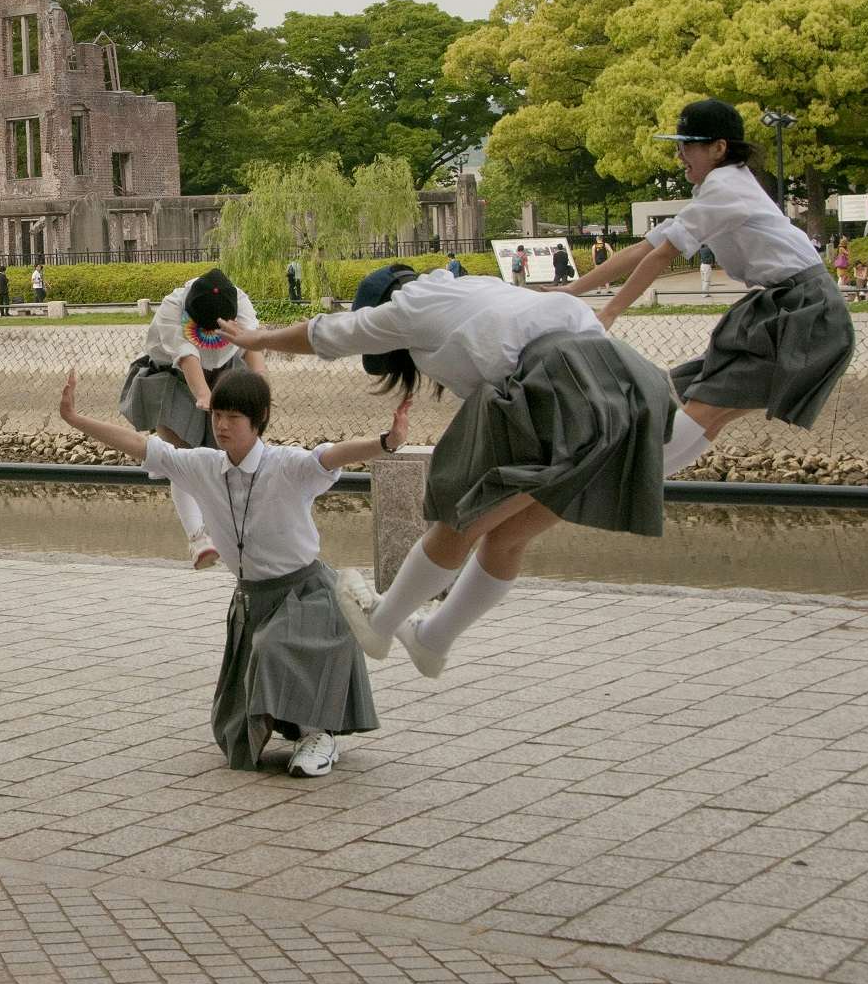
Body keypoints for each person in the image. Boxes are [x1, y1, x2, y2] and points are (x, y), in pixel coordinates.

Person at [221, 261, 672, 679]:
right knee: (508, 536)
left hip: (553, 382)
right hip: (627, 390)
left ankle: (382, 622)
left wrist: (258, 340)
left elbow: (332, 332)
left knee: (462, 512)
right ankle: (433, 640)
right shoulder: (478, 287)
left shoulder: (411, 305)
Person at [58, 366, 396, 777]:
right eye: (217, 415)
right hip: (253, 597)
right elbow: (142, 446)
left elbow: (332, 454)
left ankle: (319, 735)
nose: (221, 425)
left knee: (273, 647)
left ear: (260, 420)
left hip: (308, 595)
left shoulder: (287, 465)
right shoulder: (203, 466)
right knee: (233, 732)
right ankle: (295, 725)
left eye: (234, 417)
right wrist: (76, 420)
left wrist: (385, 442)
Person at [559, 98, 855, 474]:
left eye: (689, 145)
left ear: (719, 148)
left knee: (706, 403)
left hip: (804, 312)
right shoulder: (719, 187)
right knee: (706, 405)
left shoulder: (724, 189)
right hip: (795, 307)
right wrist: (574, 290)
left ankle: (615, 479)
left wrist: (609, 312)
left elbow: (661, 255)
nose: (680, 154)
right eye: (679, 145)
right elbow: (644, 247)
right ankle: (636, 482)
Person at [119, 269, 268, 569]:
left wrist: (260, 392)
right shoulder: (172, 309)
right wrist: (203, 395)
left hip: (227, 371)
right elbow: (187, 357)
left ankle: (241, 532)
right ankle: (198, 538)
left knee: (233, 452)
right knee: (181, 454)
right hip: (172, 374)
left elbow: (252, 346)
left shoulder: (240, 303)